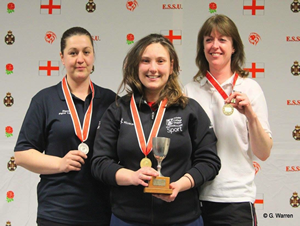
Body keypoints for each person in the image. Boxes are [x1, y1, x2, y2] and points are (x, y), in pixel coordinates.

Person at [91, 33, 221, 226]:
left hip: (183, 218)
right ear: (136, 66)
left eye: (160, 61)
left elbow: (209, 161)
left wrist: (179, 185)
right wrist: (132, 177)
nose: (153, 68)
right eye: (145, 61)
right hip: (127, 218)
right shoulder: (118, 110)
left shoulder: (189, 109)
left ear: (171, 66)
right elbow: (99, 162)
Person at [14, 27, 115, 226]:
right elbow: (22, 154)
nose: (80, 59)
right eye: (73, 53)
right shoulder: (44, 100)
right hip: (57, 212)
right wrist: (60, 163)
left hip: (102, 211)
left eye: (86, 52)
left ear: (93, 55)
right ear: (62, 57)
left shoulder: (110, 100)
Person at [184, 14, 273, 226]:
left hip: (235, 200)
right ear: (202, 47)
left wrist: (250, 115)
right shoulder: (189, 91)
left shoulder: (250, 88)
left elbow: (263, 153)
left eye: (222, 39)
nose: (215, 46)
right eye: (208, 40)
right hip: (195, 197)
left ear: (234, 47)